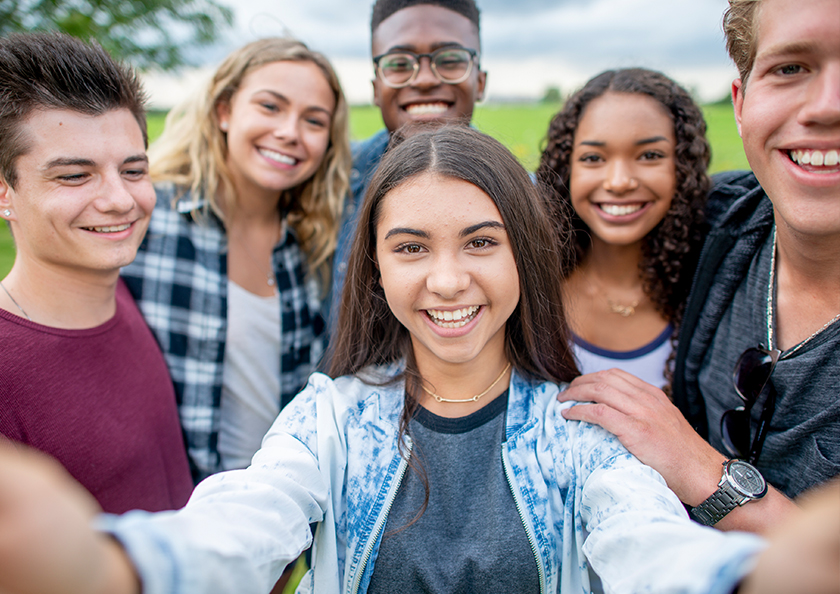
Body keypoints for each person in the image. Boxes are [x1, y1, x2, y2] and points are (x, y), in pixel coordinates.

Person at [0, 126, 765, 594]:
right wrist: (118, 567)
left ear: (524, 256)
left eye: (480, 242)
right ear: (375, 269)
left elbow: (648, 544)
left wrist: (746, 579)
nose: (446, 279)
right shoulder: (328, 420)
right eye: (410, 248)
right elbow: (242, 524)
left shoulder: (584, 427)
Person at [560, 0, 839, 534]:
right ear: (741, 101)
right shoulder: (724, 221)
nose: (827, 106)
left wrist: (703, 471)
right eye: (790, 68)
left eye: (649, 157)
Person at [121, 38, 351, 480]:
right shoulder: (149, 217)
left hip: (277, 510)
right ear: (225, 111)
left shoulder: (313, 243)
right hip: (174, 509)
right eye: (270, 107)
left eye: (313, 120)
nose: (289, 132)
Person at [0, 33, 193, 513]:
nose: (121, 200)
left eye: (132, 170)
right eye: (73, 175)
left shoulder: (125, 294)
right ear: (4, 192)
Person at [536, 68, 709, 390]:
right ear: (565, 167)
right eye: (593, 158)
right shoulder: (530, 286)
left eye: (649, 155)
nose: (618, 182)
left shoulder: (710, 292)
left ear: (683, 167)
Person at [327, 0, 487, 323]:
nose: (425, 79)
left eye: (450, 60)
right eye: (399, 64)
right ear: (375, 87)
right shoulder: (331, 180)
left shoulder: (526, 194)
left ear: (480, 82)